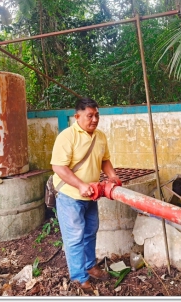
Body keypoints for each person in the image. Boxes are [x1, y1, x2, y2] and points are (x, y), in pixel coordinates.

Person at [50, 98, 120, 294]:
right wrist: (80, 185)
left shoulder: (100, 136)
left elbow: (105, 160)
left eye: (97, 115)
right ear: (77, 116)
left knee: (90, 231)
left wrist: (112, 175)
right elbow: (58, 167)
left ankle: (90, 266)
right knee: (74, 238)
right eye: (90, 116)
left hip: (91, 195)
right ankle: (80, 277)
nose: (95, 119)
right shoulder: (67, 136)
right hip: (70, 195)